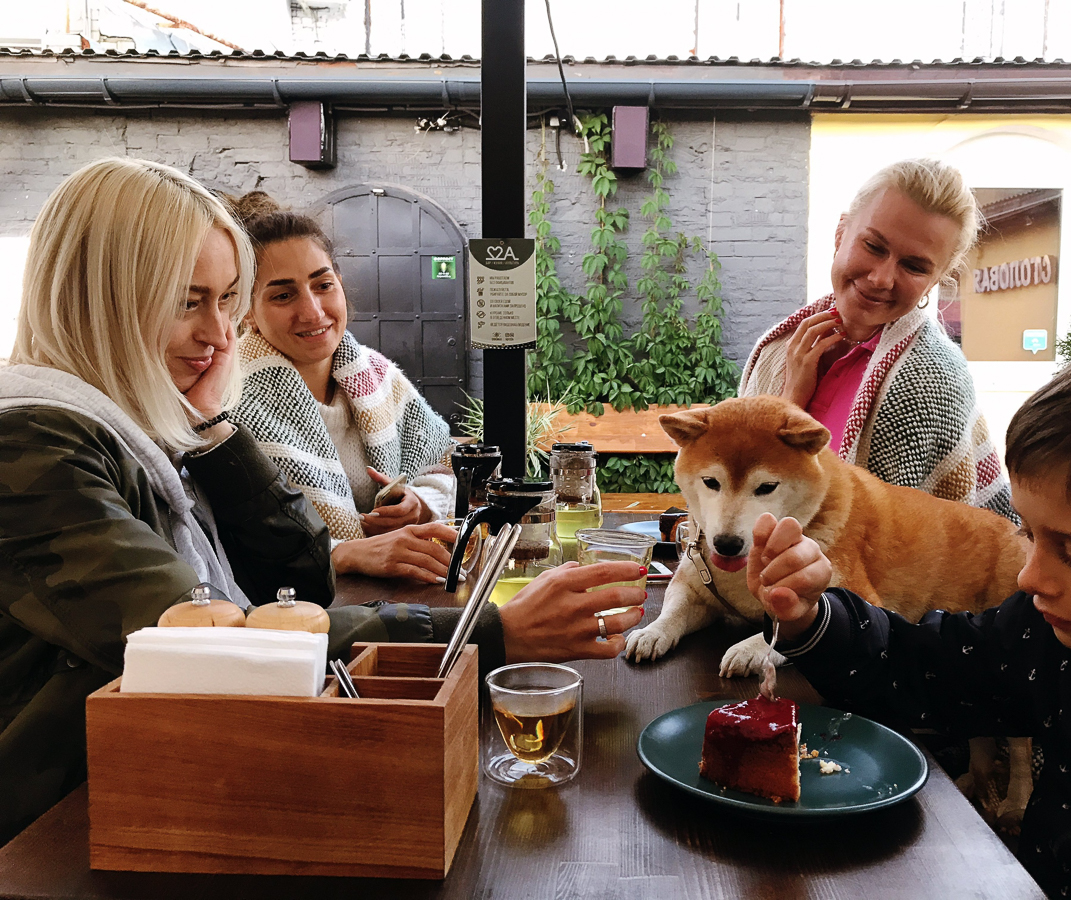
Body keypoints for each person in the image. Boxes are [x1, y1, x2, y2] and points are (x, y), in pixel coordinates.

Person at [0, 159, 645, 845]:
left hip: (165, 790)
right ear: (97, 298)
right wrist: (491, 631)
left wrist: (213, 424)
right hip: (57, 829)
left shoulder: (155, 426)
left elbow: (301, 576)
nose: (220, 335)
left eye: (226, 301)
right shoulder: (35, 443)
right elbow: (204, 646)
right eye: (188, 301)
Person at [746, 320, 1071, 899]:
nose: (1029, 575)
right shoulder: (1045, 638)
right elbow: (916, 665)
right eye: (1031, 536)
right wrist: (813, 618)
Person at [740, 158, 1016, 522]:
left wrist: (788, 414)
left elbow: (883, 543)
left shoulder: (932, 379)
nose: (882, 278)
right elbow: (740, 491)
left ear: (935, 281)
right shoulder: (780, 349)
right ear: (841, 234)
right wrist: (791, 400)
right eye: (873, 246)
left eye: (914, 267)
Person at [224, 192, 461, 584]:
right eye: (283, 295)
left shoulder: (379, 377)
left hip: (402, 600)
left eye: (323, 285)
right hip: (300, 619)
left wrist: (420, 503)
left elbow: (448, 464)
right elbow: (234, 545)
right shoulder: (230, 404)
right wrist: (347, 554)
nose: (313, 311)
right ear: (247, 309)